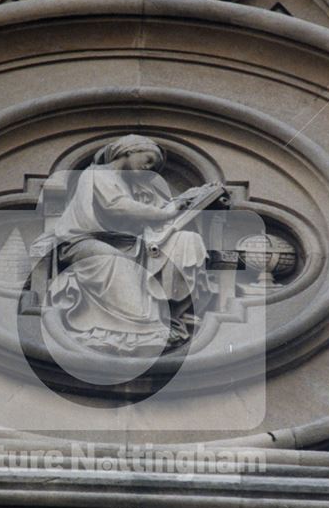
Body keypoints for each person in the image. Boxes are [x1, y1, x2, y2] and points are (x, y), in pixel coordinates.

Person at [32, 135, 222, 352]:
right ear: (129, 151)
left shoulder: (139, 186)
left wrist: (188, 199)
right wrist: (164, 212)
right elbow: (117, 205)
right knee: (114, 262)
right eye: (148, 160)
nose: (148, 168)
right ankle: (138, 331)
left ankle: (169, 315)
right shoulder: (98, 174)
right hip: (83, 242)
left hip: (130, 244)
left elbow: (162, 211)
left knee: (187, 241)